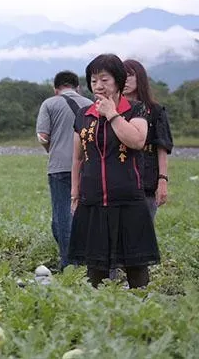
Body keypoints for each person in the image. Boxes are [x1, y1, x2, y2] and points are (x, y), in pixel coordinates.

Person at [68, 53, 160, 289]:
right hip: (93, 200)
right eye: (93, 80)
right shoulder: (83, 115)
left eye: (104, 80)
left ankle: (141, 311)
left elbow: (137, 141)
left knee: (136, 266)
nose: (97, 86)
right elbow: (78, 158)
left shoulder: (136, 110)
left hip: (128, 200)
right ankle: (100, 315)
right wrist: (75, 195)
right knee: (95, 268)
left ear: (118, 81)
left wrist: (112, 114)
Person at [36, 71, 93, 270]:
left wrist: (51, 149)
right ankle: (87, 261)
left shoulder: (49, 104)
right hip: (88, 166)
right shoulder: (89, 104)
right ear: (78, 87)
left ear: (56, 88)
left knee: (62, 217)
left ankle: (69, 266)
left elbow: (43, 136)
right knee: (86, 213)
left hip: (59, 167)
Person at [122, 59, 174, 220]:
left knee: (143, 231)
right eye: (121, 76)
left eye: (129, 76)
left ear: (140, 78)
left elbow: (162, 147)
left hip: (147, 178)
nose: (125, 80)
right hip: (119, 178)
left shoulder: (155, 110)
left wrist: (163, 180)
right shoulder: (112, 110)